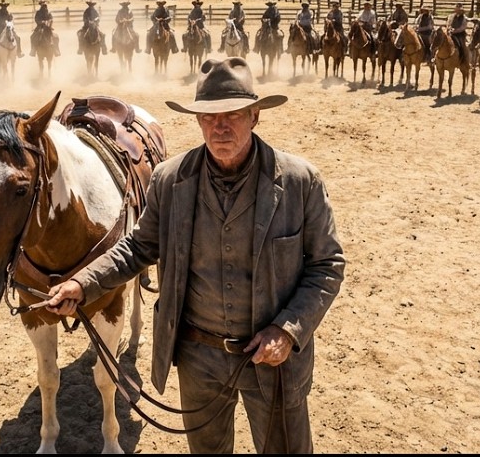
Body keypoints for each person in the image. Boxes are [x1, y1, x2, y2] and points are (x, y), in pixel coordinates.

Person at [45, 57, 346, 454]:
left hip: (273, 360)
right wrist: (83, 283)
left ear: (255, 116)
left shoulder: (299, 182)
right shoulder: (170, 181)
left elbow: (327, 266)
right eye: (209, 117)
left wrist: (288, 330)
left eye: (233, 115)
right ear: (198, 121)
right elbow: (138, 247)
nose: (220, 127)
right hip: (199, 358)